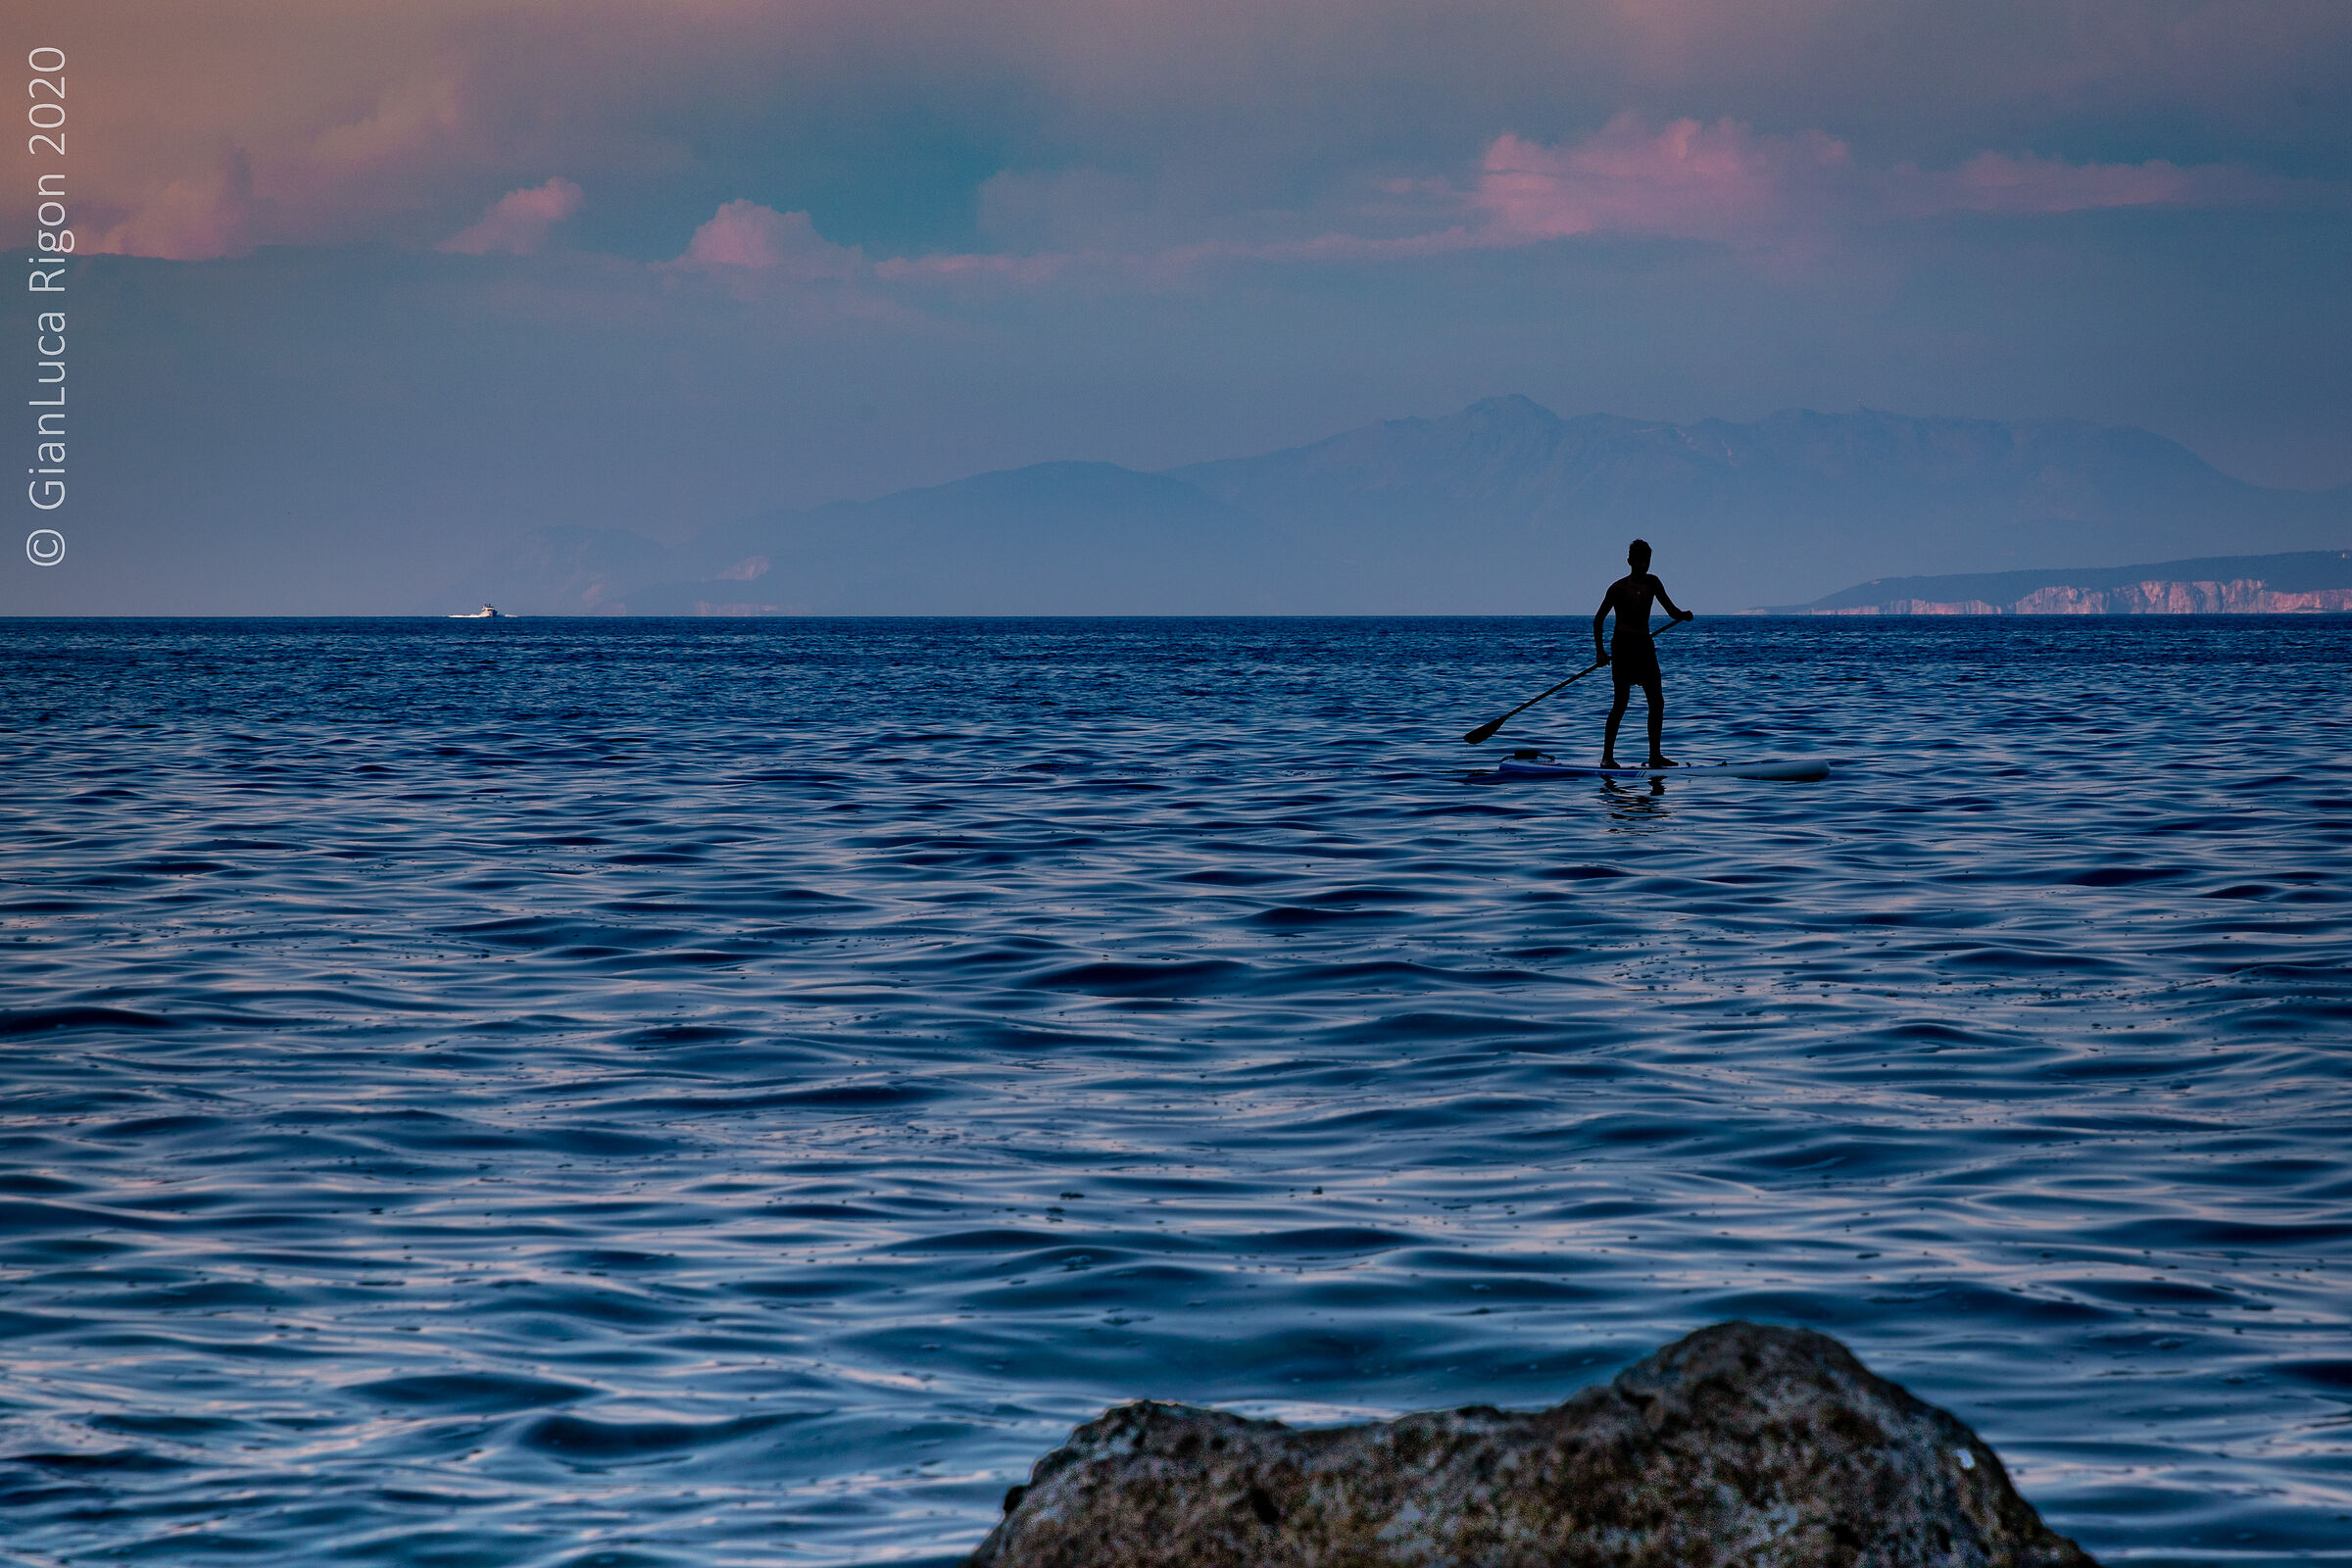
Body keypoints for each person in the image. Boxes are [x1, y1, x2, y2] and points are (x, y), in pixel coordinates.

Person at [1592, 539, 1693, 768]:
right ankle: (1607, 757)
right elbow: (1598, 621)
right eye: (1639, 560)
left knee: (1657, 702)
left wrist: (1683, 615)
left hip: (1645, 647)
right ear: (1629, 561)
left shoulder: (1653, 583)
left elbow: (1671, 610)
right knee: (1621, 703)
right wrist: (1600, 652)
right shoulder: (1617, 588)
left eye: (1646, 560)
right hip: (1623, 647)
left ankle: (1655, 756)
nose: (1643, 565)